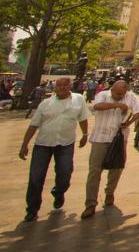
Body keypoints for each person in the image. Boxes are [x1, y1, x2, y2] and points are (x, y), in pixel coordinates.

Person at [18, 76, 90, 222]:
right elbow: (34, 125)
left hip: (65, 143)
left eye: (65, 85)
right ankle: (32, 209)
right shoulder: (46, 104)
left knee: (65, 172)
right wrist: (25, 144)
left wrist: (85, 134)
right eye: (59, 85)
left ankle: (59, 191)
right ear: (54, 88)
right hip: (43, 144)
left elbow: (82, 118)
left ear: (70, 86)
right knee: (36, 178)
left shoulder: (78, 100)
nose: (62, 88)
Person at [81, 79, 139, 219]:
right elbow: (96, 106)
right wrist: (117, 105)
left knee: (117, 167)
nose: (120, 96)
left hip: (119, 137)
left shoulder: (130, 97)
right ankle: (90, 203)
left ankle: (110, 191)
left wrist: (128, 122)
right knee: (95, 170)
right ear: (112, 89)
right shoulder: (103, 95)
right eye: (117, 93)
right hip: (100, 137)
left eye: (122, 94)